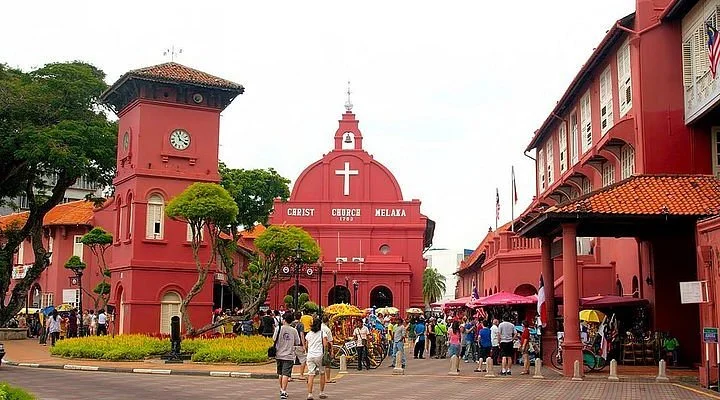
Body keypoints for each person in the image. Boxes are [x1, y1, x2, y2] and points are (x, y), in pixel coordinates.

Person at [275, 311, 301, 400]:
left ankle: (281, 389)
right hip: (289, 355)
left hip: (279, 354)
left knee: (280, 373)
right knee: (286, 373)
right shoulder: (294, 330)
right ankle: (283, 391)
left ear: (284, 319)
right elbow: (297, 342)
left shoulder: (278, 329)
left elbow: (274, 339)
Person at [305, 317, 328, 400]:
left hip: (310, 356)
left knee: (311, 374)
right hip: (319, 355)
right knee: (322, 373)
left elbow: (306, 345)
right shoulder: (322, 333)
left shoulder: (308, 334)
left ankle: (310, 394)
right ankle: (321, 392)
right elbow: (325, 345)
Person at [292, 312, 308, 379]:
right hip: (299, 344)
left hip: (291, 344)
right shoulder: (300, 325)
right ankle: (301, 375)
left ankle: (289, 375)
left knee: (291, 360)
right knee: (303, 359)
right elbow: (301, 335)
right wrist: (304, 345)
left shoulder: (291, 324)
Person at [320, 315, 335, 384]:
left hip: (317, 347)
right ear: (327, 321)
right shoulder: (327, 329)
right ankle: (328, 378)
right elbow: (330, 341)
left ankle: (310, 377)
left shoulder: (318, 327)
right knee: (327, 364)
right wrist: (332, 351)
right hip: (325, 347)